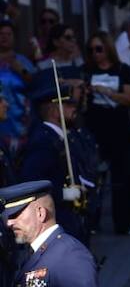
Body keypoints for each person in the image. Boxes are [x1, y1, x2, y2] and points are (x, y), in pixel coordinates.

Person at [83, 29, 130, 236]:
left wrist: (109, 93)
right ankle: (92, 221)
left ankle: (127, 221)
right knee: (94, 177)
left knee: (125, 177)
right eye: (91, 50)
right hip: (95, 128)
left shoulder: (122, 70)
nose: (95, 54)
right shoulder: (87, 71)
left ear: (108, 49)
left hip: (120, 129)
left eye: (99, 49)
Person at [18, 82, 91, 245]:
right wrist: (63, 194)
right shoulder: (43, 141)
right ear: (53, 109)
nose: (74, 108)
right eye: (67, 104)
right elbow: (31, 182)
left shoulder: (59, 137)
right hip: (56, 220)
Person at [0, 19, 35, 155]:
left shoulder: (22, 61)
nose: (4, 37)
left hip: (20, 118)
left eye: (8, 34)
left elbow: (35, 85)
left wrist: (21, 70)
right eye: (1, 33)